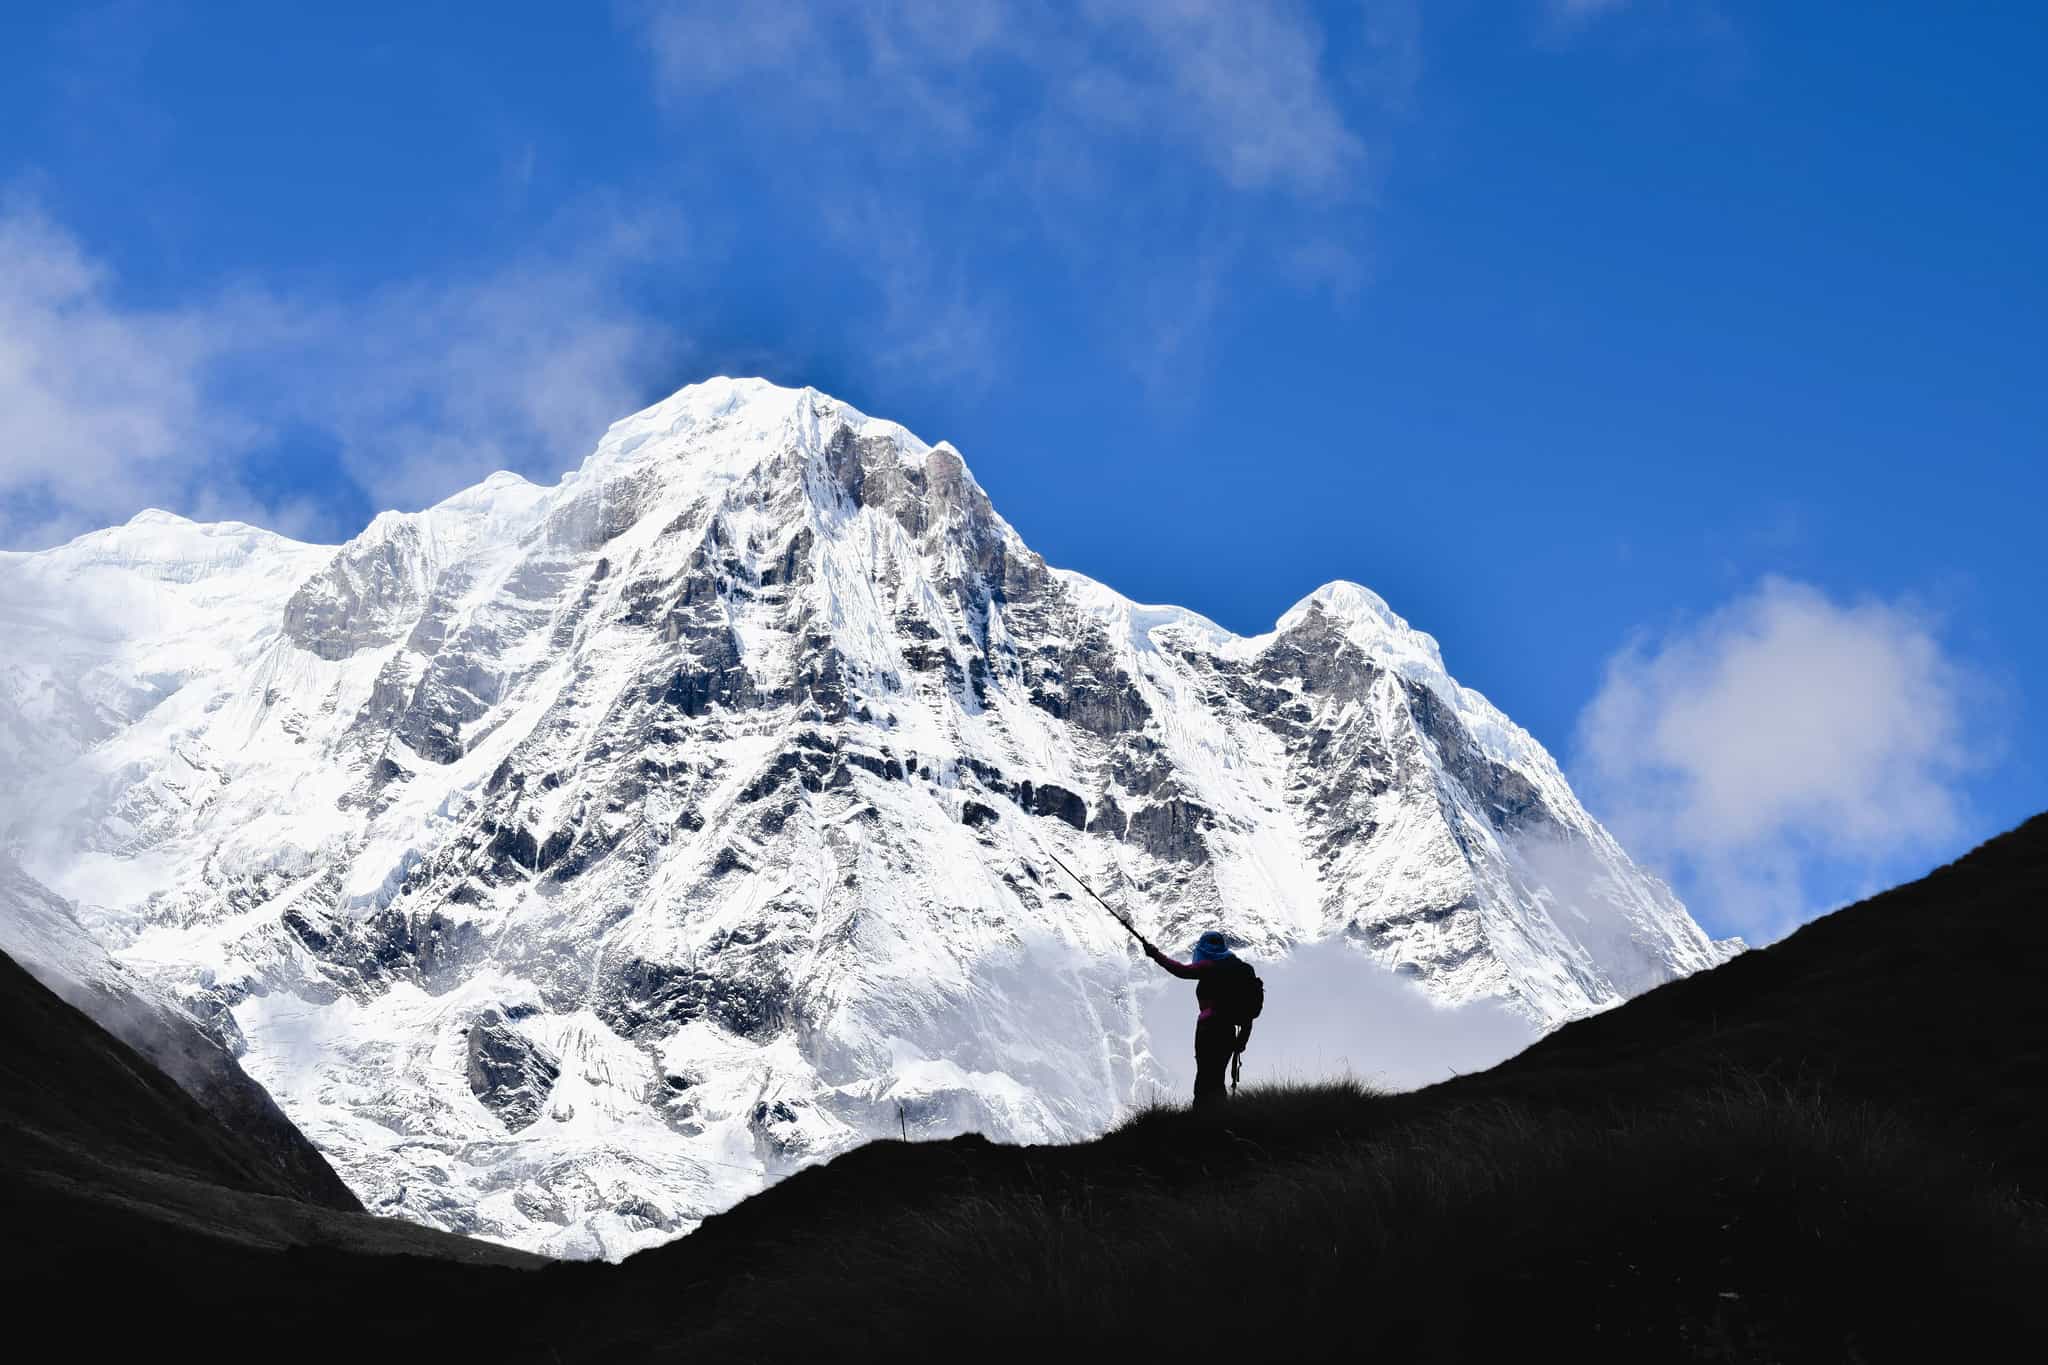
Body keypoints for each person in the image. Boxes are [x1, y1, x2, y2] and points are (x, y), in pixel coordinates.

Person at [1144, 929, 1258, 1105]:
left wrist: (1155, 954)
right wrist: (1242, 1040)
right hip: (1229, 1032)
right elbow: (1248, 1009)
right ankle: (1221, 1122)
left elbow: (1180, 970)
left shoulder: (1209, 966)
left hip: (1209, 1029)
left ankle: (1202, 1123)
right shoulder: (1239, 968)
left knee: (1204, 1078)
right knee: (1217, 1078)